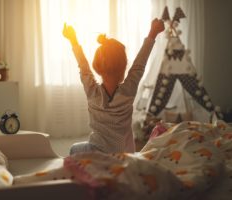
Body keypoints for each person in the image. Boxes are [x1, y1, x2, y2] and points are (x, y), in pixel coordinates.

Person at [63, 18, 165, 155]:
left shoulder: (92, 92)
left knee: (74, 148)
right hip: (124, 155)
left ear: (97, 67)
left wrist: (73, 39)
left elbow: (83, 65)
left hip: (96, 153)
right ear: (124, 68)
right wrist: (153, 33)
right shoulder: (128, 91)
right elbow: (140, 63)